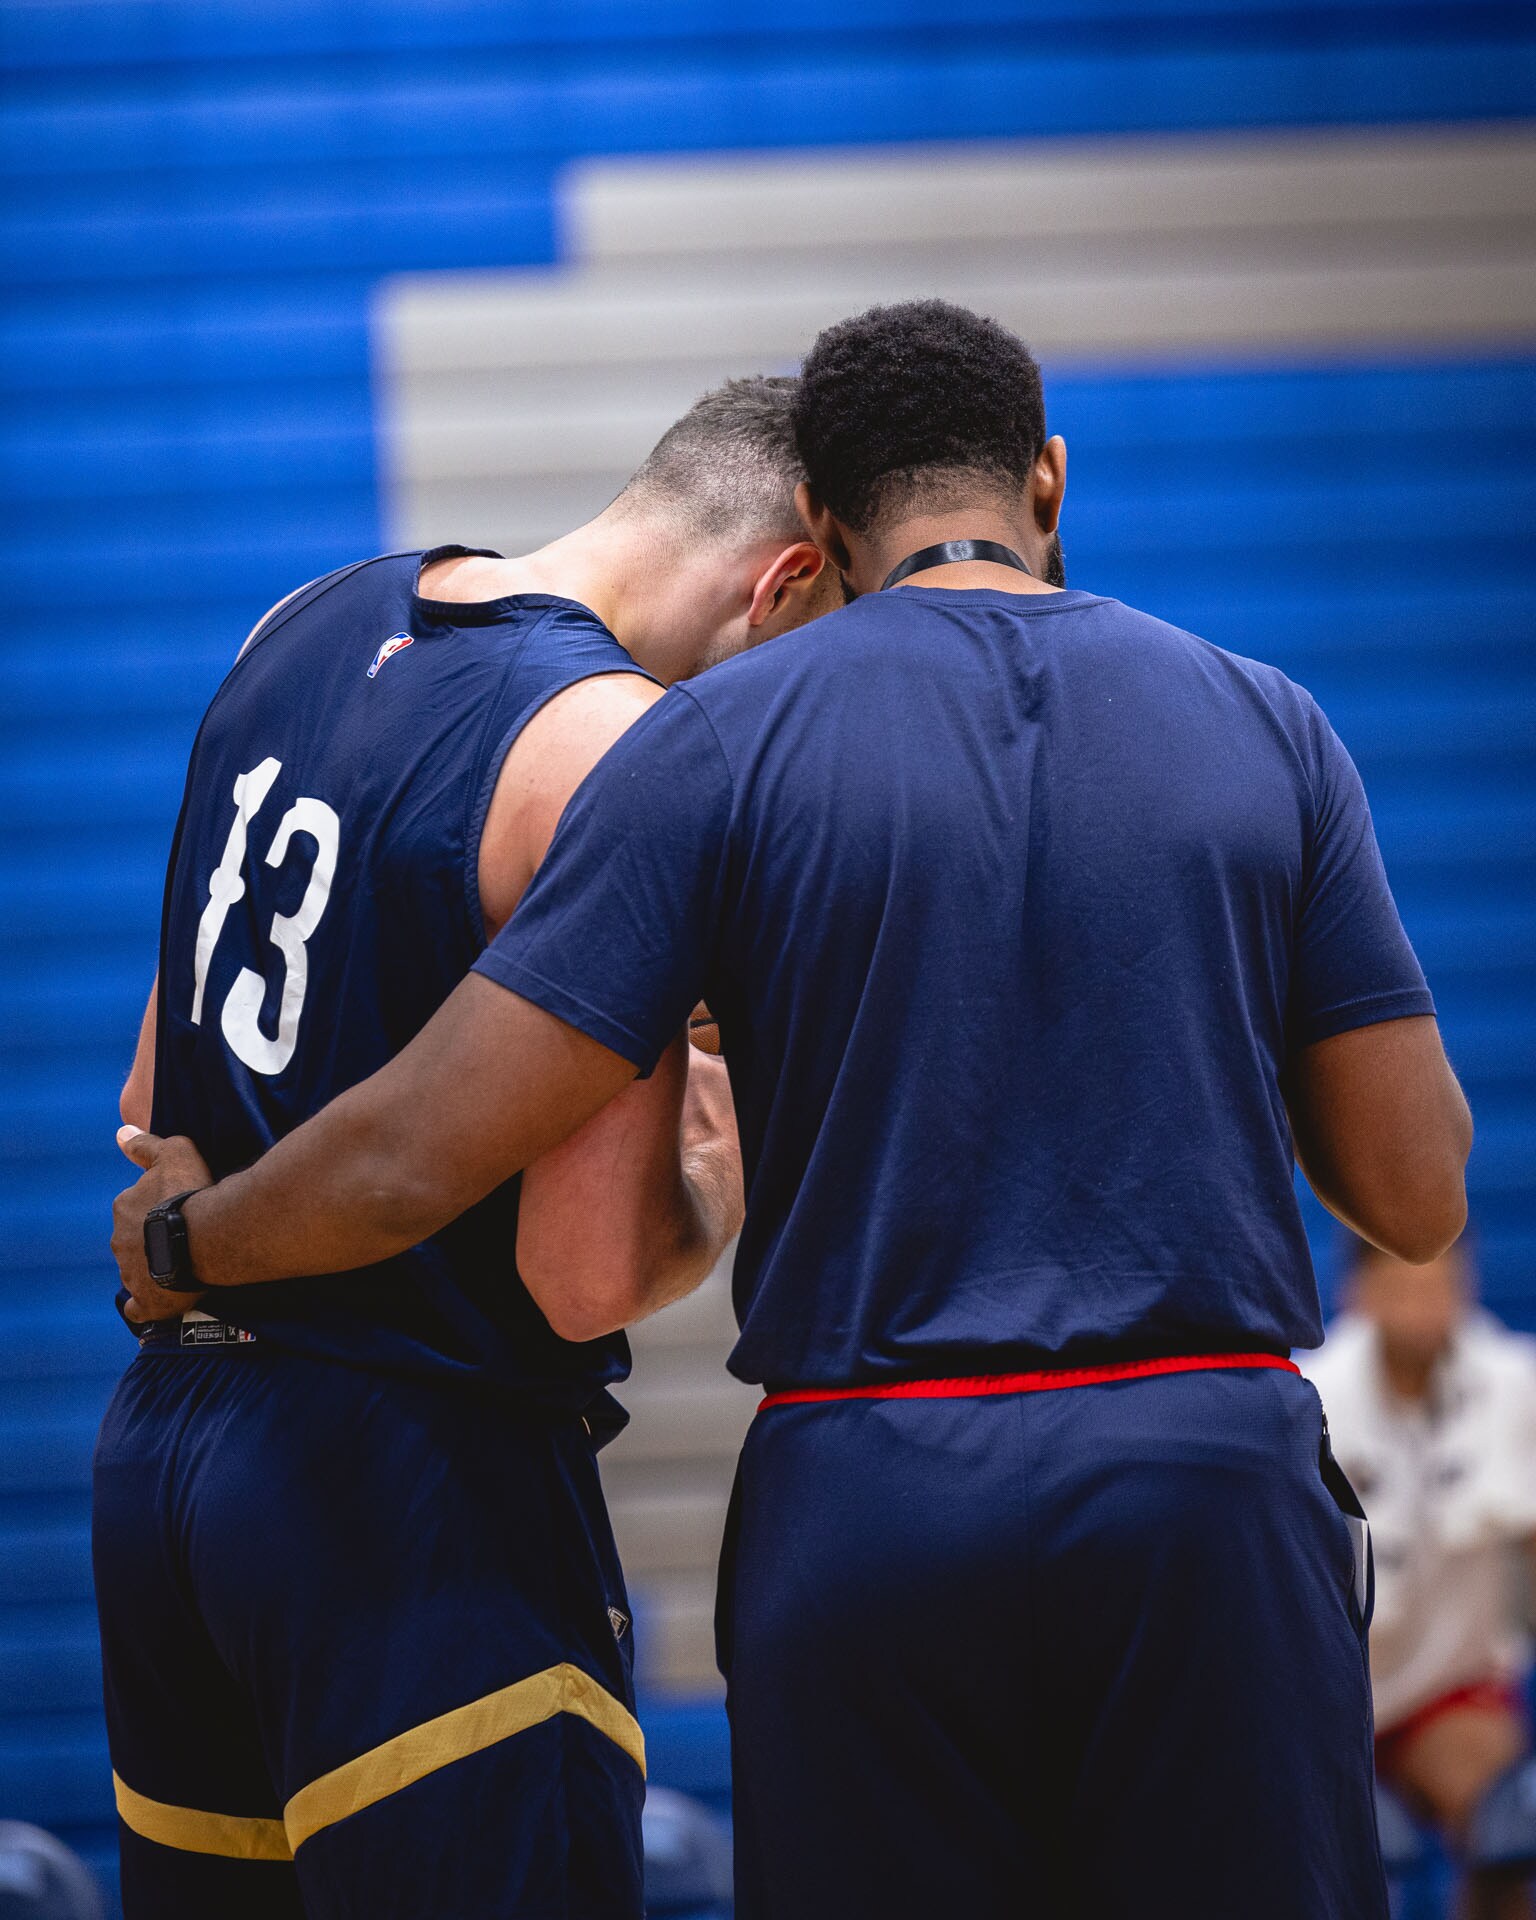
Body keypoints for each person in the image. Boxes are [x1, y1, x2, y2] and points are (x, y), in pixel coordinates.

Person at [112, 299, 1474, 1920]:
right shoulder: (1267, 723)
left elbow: (423, 1137)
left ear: (821, 526)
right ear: (1047, 477)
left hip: (857, 1490)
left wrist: (189, 1239)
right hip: (1198, 1481)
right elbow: (1414, 1190)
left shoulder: (689, 745)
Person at [95, 376, 838, 1920]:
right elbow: (581, 1277)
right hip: (410, 1489)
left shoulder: (299, 617)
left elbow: (149, 1089)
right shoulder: (622, 755)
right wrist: (718, 1160)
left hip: (170, 1460)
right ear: (789, 580)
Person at [1306, 1237, 1536, 1920]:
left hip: (1448, 1684)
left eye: (1442, 1284)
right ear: (1359, 1294)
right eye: (1406, 1285)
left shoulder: (1515, 1384)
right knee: (1334, 1870)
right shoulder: (1309, 1398)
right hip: (1331, 1696)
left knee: (1506, 1833)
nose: (1425, 1304)